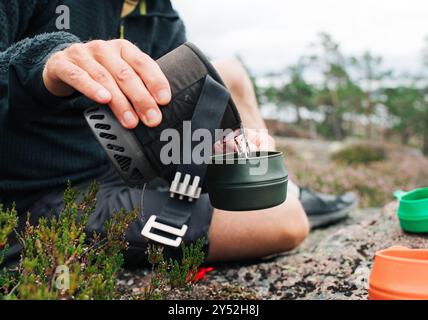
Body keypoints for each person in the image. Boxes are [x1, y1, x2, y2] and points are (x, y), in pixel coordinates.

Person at [0, 0, 357, 267]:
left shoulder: (158, 11)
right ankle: (283, 203)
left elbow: (172, 107)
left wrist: (213, 142)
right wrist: (42, 67)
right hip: (46, 198)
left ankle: (272, 184)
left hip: (128, 160)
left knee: (229, 72)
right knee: (285, 221)